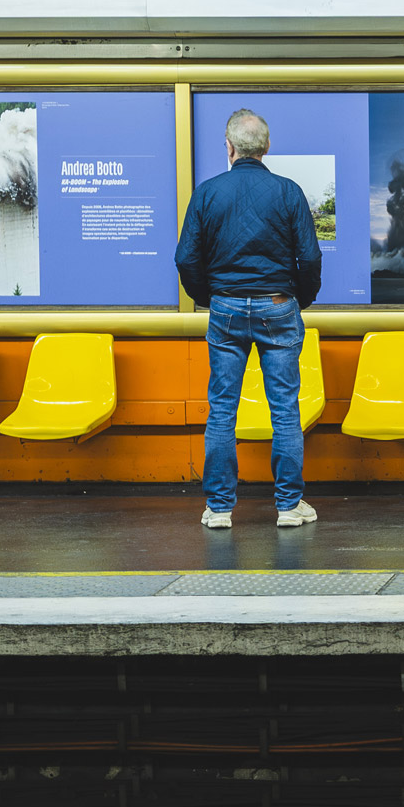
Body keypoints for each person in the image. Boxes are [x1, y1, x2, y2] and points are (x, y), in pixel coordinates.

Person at [177, 108, 325, 530]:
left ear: (229, 147)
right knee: (285, 410)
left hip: (225, 308)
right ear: (266, 147)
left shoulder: (207, 193)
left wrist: (209, 298)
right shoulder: (288, 191)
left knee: (222, 410)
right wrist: (299, 300)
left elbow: (186, 258)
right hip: (278, 307)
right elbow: (310, 257)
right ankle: (289, 506)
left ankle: (219, 508)